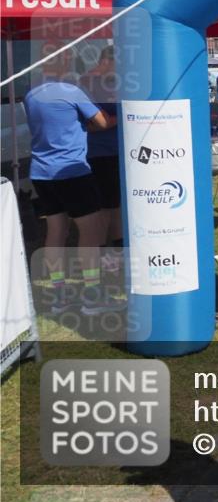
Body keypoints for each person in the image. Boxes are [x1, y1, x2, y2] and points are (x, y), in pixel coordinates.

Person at [24, 51, 123, 314]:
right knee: (90, 234)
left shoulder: (31, 93)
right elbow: (102, 122)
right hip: (72, 171)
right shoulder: (72, 91)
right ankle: (92, 295)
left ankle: (58, 296)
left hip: (41, 173)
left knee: (55, 232)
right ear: (64, 63)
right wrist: (122, 114)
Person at [79, 46, 124, 275]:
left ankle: (117, 251)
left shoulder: (112, 81)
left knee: (115, 204)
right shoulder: (88, 82)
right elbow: (97, 123)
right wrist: (124, 115)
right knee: (105, 207)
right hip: (99, 152)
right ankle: (105, 255)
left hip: (116, 151)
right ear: (107, 60)